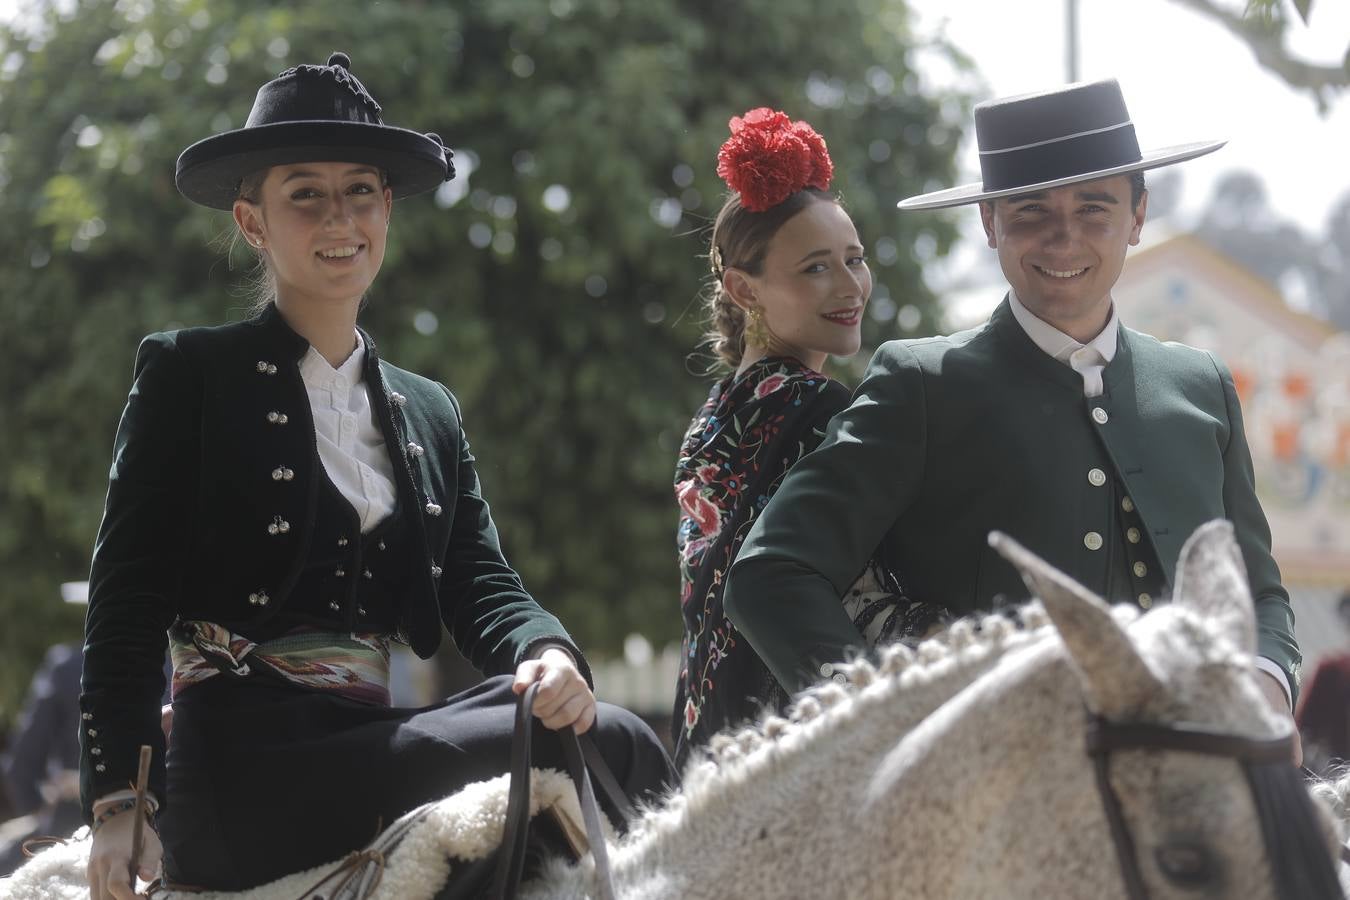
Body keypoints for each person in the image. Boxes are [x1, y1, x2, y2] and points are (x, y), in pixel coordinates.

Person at [79, 52, 675, 900]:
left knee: (605, 732)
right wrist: (117, 801)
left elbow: (481, 582)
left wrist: (544, 648)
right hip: (244, 772)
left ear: (387, 207)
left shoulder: (428, 408)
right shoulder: (187, 374)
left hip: (377, 742)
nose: (339, 218)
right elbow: (126, 600)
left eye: (360, 190)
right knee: (540, 745)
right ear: (252, 222)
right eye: (305, 195)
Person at [722, 79, 1302, 751]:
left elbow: (1259, 594)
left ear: (1138, 216)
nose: (1064, 238)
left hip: (1202, 781)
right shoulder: (923, 384)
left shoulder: (1200, 386)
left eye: (1095, 208)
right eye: (1031, 212)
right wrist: (891, 728)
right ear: (990, 222)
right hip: (1007, 815)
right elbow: (771, 574)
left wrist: (1264, 688)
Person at [672, 109, 946, 768]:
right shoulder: (825, 412)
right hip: (800, 753)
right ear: (744, 289)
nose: (851, 287)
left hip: (709, 751)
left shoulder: (708, 422)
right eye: (816, 269)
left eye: (854, 259)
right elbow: (858, 604)